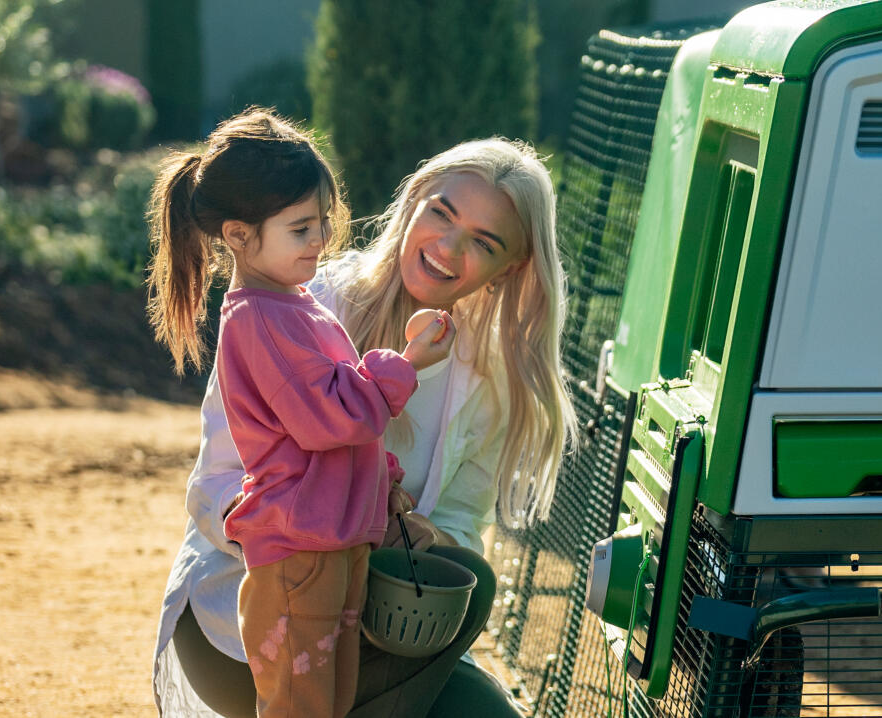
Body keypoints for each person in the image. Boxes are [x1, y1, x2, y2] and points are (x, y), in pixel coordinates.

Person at [153, 131, 577, 716]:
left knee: (476, 654)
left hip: (374, 623)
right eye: (442, 214)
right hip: (249, 617)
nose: (448, 249)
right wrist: (312, 532)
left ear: (511, 268)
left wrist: (418, 533)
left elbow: (457, 521)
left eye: (482, 242)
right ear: (415, 202)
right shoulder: (299, 297)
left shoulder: (493, 380)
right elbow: (212, 488)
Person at [147, 108, 457, 717]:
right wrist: (406, 364)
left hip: (327, 539)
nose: (318, 241)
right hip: (297, 548)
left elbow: (334, 423)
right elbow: (329, 419)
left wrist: (382, 482)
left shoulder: (294, 306)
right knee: (301, 703)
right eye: (298, 229)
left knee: (328, 699)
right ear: (238, 235)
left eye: (320, 223)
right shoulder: (260, 319)